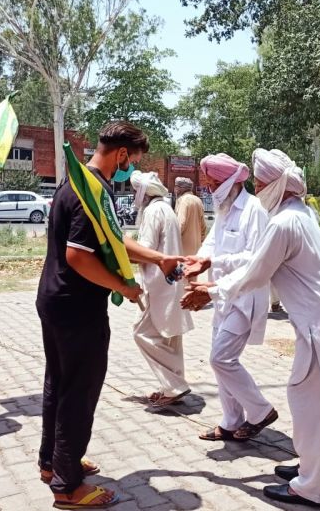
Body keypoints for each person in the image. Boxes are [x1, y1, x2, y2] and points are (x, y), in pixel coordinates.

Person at [182, 148, 320, 508]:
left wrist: (210, 291)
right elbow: (248, 259)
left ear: (277, 185)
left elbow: (255, 272)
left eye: (262, 184)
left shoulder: (282, 223)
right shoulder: (300, 214)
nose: (259, 190)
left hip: (318, 322)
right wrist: (211, 264)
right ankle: (318, 468)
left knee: (304, 399)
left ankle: (308, 487)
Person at [36, 121, 183, 509]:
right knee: (78, 392)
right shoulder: (92, 191)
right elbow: (79, 256)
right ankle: (68, 487)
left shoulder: (79, 181)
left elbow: (112, 241)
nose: (130, 169)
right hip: (76, 307)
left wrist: (159, 259)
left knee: (59, 383)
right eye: (132, 161)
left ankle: (53, 461)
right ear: (121, 154)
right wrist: (125, 288)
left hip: (55, 300)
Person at [185, 153, 277, 442]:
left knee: (221, 359)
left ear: (229, 182)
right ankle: (230, 421)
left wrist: (213, 263)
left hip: (245, 296)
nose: (210, 189)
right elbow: (212, 243)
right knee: (221, 361)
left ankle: (261, 411)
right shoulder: (225, 210)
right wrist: (195, 262)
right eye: (208, 184)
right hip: (222, 295)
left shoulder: (254, 210)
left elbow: (255, 258)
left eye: (214, 184)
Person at [130, 170, 194, 408]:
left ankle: (175, 385)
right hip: (173, 281)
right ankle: (173, 385)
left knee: (142, 334)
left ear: (143, 193)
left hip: (159, 283)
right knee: (170, 339)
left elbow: (144, 249)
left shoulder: (153, 211)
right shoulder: (166, 208)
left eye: (136, 191)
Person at [173, 176, 207, 256]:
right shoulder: (197, 200)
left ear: (179, 188)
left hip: (183, 250)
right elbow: (203, 226)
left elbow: (180, 224)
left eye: (176, 187)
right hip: (196, 249)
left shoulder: (183, 200)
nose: (175, 190)